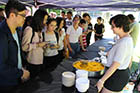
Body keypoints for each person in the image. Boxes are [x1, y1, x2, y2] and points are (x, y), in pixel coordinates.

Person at [96, 14, 133, 93]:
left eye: (113, 26)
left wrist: (101, 80)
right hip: (121, 73)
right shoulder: (126, 38)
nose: (111, 28)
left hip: (117, 75)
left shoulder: (124, 43)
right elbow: (129, 58)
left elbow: (116, 64)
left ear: (121, 27)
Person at [0, 0, 30, 92]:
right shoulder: (2, 35)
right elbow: (1, 67)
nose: (25, 19)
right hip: (6, 83)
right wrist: (21, 73)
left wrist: (22, 67)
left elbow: (17, 52)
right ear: (12, 15)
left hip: (16, 77)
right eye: (23, 16)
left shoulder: (17, 30)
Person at [22, 9, 48, 78]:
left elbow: (40, 44)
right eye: (45, 19)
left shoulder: (39, 30)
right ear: (39, 19)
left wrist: (44, 45)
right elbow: (24, 47)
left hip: (40, 60)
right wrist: (38, 45)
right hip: (32, 62)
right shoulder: (29, 29)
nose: (45, 22)